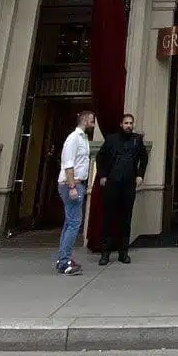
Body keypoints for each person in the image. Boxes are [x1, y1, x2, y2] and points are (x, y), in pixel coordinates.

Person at [95, 112, 149, 265]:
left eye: (131, 123)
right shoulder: (111, 139)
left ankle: (123, 252)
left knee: (126, 219)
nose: (128, 126)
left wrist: (140, 175)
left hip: (128, 184)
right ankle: (105, 253)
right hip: (112, 183)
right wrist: (103, 176)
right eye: (126, 123)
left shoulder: (137, 140)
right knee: (108, 218)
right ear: (121, 124)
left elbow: (144, 158)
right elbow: (100, 157)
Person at [55, 109, 95, 275]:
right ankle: (65, 262)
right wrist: (72, 186)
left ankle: (62, 257)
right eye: (92, 120)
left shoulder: (83, 138)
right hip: (72, 184)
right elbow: (68, 164)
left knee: (69, 223)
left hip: (77, 183)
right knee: (73, 224)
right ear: (85, 120)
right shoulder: (73, 139)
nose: (93, 122)